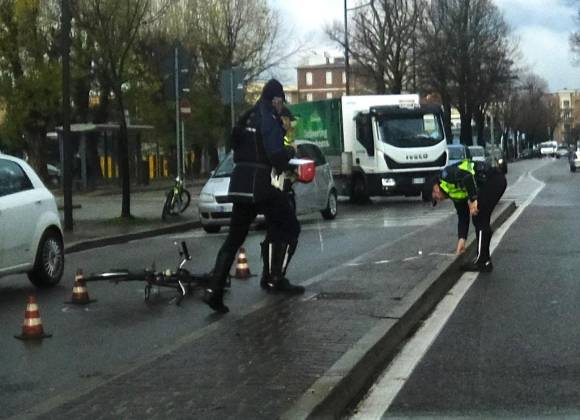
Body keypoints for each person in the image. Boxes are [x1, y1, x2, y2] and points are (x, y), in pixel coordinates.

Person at [203, 79, 304, 314]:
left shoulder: (246, 116)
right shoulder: (268, 118)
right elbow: (276, 154)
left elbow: (234, 145)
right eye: (281, 102)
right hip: (262, 185)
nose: (281, 107)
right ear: (276, 99)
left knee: (234, 239)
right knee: (289, 226)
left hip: (239, 184)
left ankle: (213, 291)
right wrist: (290, 152)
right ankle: (275, 277)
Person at [429, 158, 507, 272]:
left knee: (479, 217)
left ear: (435, 188)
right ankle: (485, 260)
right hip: (488, 184)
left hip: (494, 179)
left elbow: (467, 176)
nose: (439, 200)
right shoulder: (452, 193)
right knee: (479, 218)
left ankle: (482, 261)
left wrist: (474, 199)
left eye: (436, 197)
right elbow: (463, 216)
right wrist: (462, 239)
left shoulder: (447, 175)